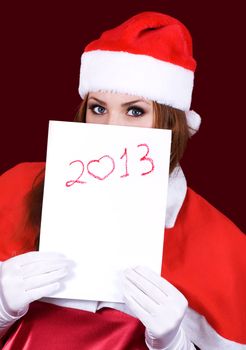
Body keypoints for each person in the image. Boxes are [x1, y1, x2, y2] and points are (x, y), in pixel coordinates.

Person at [0, 11, 245, 350]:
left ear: (172, 123)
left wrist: (173, 342)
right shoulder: (17, 186)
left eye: (134, 111)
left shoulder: (221, 244)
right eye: (98, 108)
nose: (110, 128)